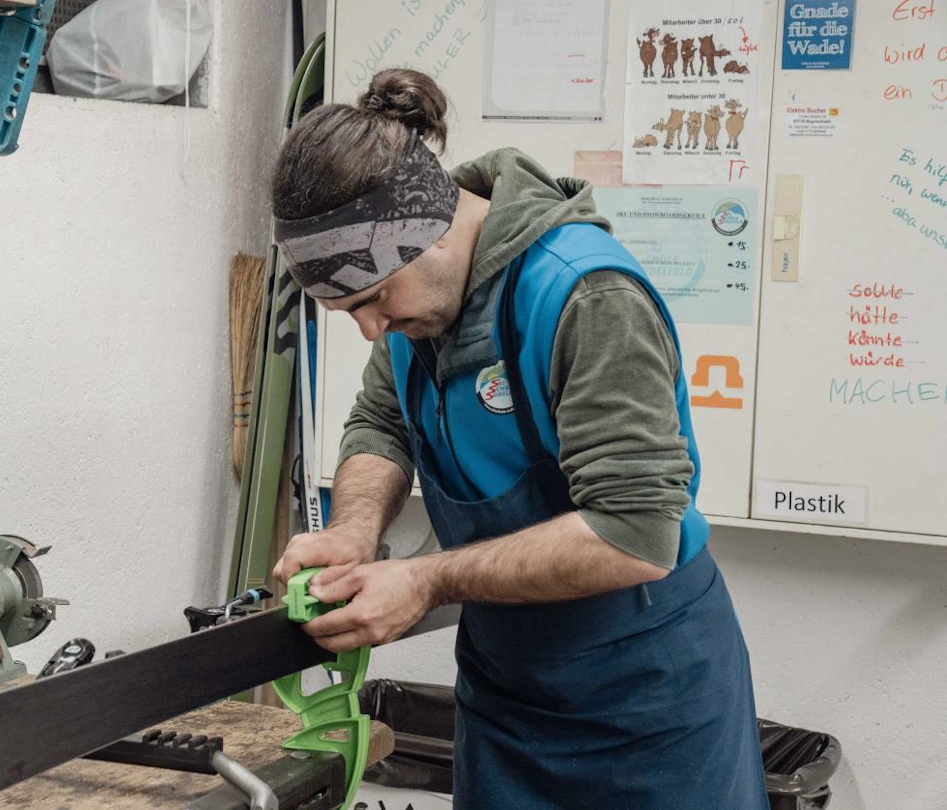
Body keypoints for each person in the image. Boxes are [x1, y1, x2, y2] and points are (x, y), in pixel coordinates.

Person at [269, 69, 768, 809]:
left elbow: (635, 531)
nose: (371, 329)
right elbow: (380, 422)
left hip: (646, 704)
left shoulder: (586, 296)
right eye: (348, 312)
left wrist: (426, 578)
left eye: (372, 301)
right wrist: (352, 532)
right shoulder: (418, 308)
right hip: (510, 697)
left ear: (431, 233)